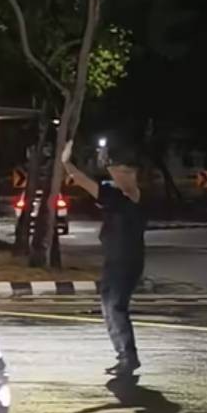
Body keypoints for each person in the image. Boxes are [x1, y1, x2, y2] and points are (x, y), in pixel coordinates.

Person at [61, 140, 146, 376]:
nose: (119, 175)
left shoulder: (127, 198)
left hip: (124, 262)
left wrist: (68, 163)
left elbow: (89, 181)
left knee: (114, 308)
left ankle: (127, 357)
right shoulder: (118, 197)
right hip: (118, 261)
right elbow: (87, 182)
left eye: (124, 171)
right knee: (110, 308)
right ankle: (125, 356)